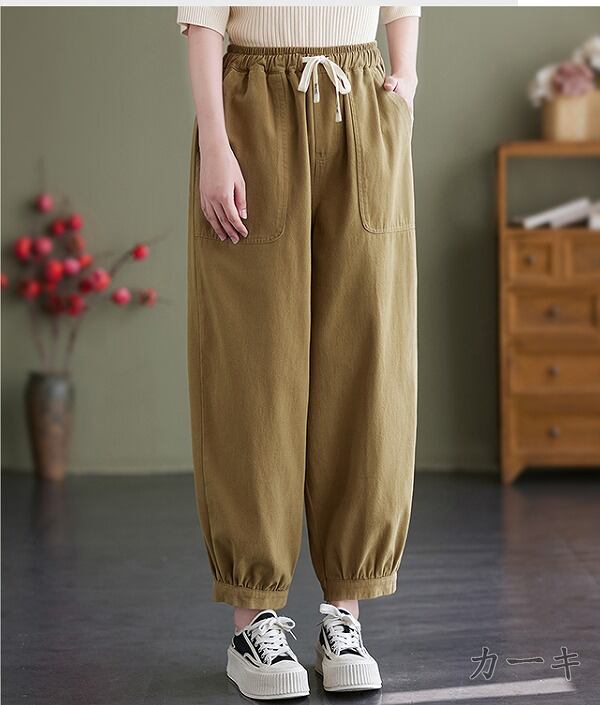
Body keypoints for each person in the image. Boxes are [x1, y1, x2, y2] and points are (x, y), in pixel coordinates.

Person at [178, 5, 420, 699]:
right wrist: (214, 142)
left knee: (366, 363)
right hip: (252, 109)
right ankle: (252, 621)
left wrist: (404, 78)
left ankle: (344, 617)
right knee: (253, 370)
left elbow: (402, 5)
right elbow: (202, 21)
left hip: (361, 101)